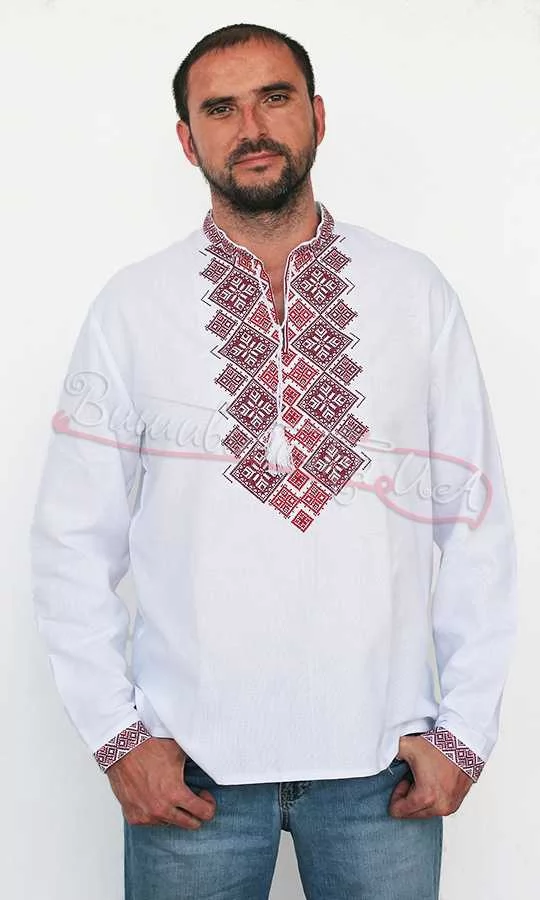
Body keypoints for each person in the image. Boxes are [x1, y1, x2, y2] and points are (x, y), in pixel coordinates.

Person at [29, 22, 517, 900]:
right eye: (220, 109)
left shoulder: (412, 293)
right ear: (188, 141)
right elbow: (71, 540)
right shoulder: (132, 308)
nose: (250, 128)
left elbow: (474, 520)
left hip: (382, 767)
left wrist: (465, 732)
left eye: (274, 98)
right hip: (192, 770)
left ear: (318, 117)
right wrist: (118, 738)